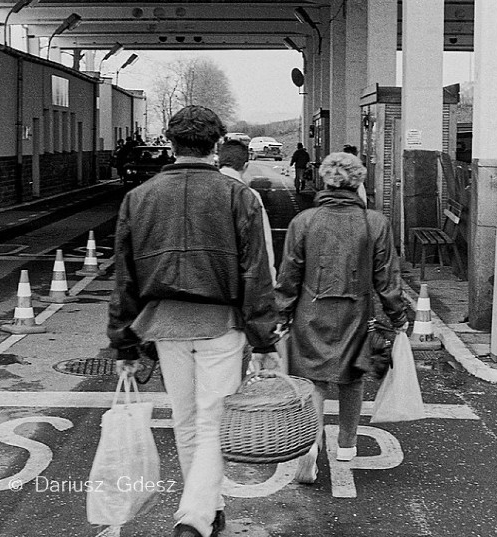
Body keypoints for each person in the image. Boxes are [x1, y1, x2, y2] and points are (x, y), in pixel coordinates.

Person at [108, 105, 280, 537]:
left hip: (164, 325)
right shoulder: (239, 196)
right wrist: (264, 342)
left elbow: (125, 277)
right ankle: (196, 517)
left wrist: (124, 343)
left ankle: (207, 507)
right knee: (212, 422)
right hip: (220, 325)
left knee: (186, 421)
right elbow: (255, 274)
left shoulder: (139, 197)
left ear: (171, 142)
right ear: (216, 145)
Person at [273, 151, 408, 484]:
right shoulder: (374, 222)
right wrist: (398, 315)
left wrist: (281, 314)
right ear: (358, 183)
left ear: (324, 181)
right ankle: (347, 446)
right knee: (352, 378)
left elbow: (288, 275)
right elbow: (385, 278)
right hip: (356, 312)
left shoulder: (303, 221)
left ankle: (309, 446)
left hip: (310, 311)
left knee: (314, 381)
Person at [218, 140, 276, 284]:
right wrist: (270, 283)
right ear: (245, 166)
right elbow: (263, 244)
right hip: (236, 282)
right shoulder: (250, 195)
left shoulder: (201, 189)